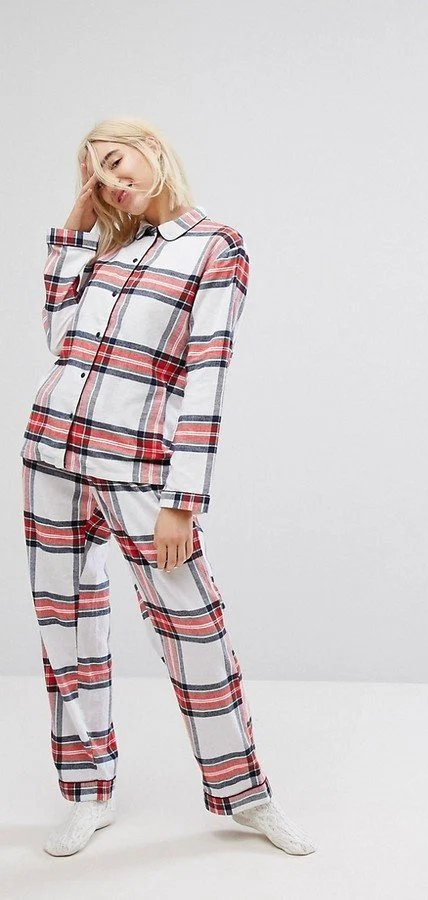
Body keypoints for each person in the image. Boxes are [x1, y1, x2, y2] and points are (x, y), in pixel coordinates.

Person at [19, 117, 316, 858]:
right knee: (66, 627)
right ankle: (86, 792)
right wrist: (77, 225)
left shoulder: (215, 247)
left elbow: (207, 374)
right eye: (95, 172)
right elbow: (59, 341)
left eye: (117, 160)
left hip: (140, 467)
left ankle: (245, 794)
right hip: (51, 455)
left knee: (194, 628)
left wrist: (183, 500)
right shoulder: (106, 251)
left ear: (151, 148)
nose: (111, 180)